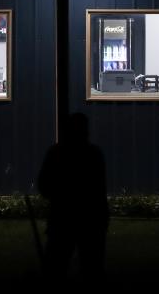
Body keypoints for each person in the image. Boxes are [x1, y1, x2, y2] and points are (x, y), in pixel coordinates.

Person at [37, 112, 109, 285]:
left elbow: (43, 185)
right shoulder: (93, 154)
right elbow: (100, 189)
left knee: (55, 266)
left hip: (62, 218)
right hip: (90, 219)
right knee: (92, 267)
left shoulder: (56, 153)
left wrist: (59, 195)